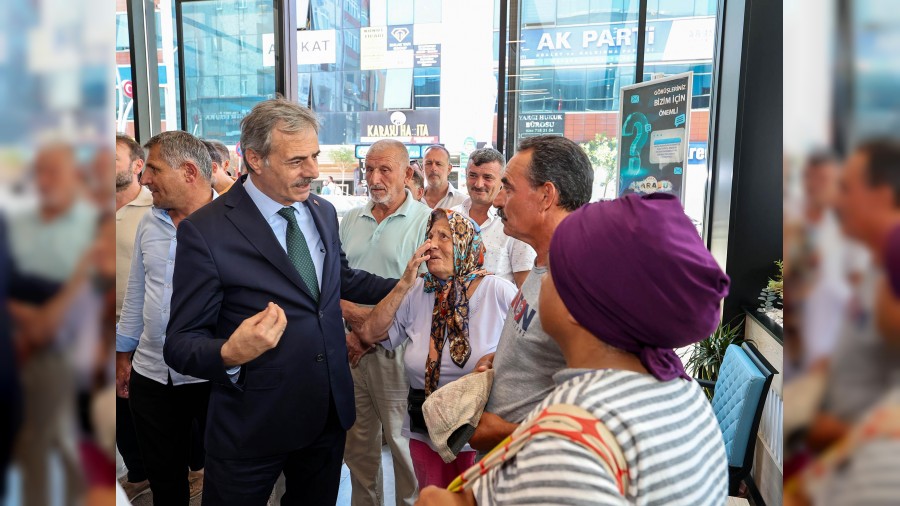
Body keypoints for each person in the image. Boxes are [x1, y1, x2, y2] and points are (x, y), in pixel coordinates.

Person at [417, 193, 730, 505]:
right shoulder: (683, 392)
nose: (542, 278)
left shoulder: (568, 443)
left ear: (578, 304)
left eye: (554, 271)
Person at [163, 98, 398, 505]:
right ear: (254, 158)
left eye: (315, 156)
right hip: (252, 425)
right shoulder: (206, 231)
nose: (313, 171)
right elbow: (179, 343)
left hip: (326, 416)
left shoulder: (322, 212)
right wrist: (229, 352)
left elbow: (338, 279)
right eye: (297, 161)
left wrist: (409, 283)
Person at [354, 209, 517, 490]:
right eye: (430, 236)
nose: (432, 243)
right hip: (425, 430)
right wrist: (404, 282)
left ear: (467, 244)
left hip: (477, 434)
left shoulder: (499, 292)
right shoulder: (418, 290)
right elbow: (370, 333)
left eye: (445, 236)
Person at [467, 135, 593, 452]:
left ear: (546, 196)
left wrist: (507, 432)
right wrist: (506, 360)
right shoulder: (542, 266)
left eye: (508, 188)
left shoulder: (578, 285)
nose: (497, 201)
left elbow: (598, 415)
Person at [115, 131, 216, 506]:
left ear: (188, 171)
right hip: (153, 374)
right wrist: (123, 355)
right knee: (164, 480)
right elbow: (138, 293)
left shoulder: (231, 223)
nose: (144, 180)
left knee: (223, 476)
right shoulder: (150, 222)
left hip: (212, 376)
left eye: (153, 169)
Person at [339, 139, 432, 506]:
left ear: (407, 174)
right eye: (369, 169)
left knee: (403, 447)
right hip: (349, 350)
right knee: (358, 449)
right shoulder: (349, 218)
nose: (374, 178)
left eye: (385, 170)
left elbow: (424, 293)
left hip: (398, 352)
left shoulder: (426, 222)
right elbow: (332, 281)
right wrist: (354, 328)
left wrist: (372, 334)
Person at [8, 143, 98, 506]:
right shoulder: (19, 223)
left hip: (76, 353)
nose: (43, 181)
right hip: (22, 347)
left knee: (62, 444)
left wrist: (44, 321)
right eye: (38, 172)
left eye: (53, 172)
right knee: (35, 446)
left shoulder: (96, 223)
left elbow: (93, 291)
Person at [114, 133, 153, 499]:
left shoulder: (155, 207)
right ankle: (139, 472)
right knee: (116, 408)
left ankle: (189, 470)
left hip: (144, 328)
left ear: (136, 165)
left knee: (147, 403)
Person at [452, 148, 536, 288]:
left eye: (487, 177)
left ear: (502, 181)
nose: (479, 184)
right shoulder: (450, 217)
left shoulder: (515, 225)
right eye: (473, 175)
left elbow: (525, 289)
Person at [422, 145, 466, 209]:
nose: (433, 168)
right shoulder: (414, 200)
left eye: (438, 164)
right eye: (428, 163)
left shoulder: (463, 203)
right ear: (422, 167)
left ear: (449, 169)